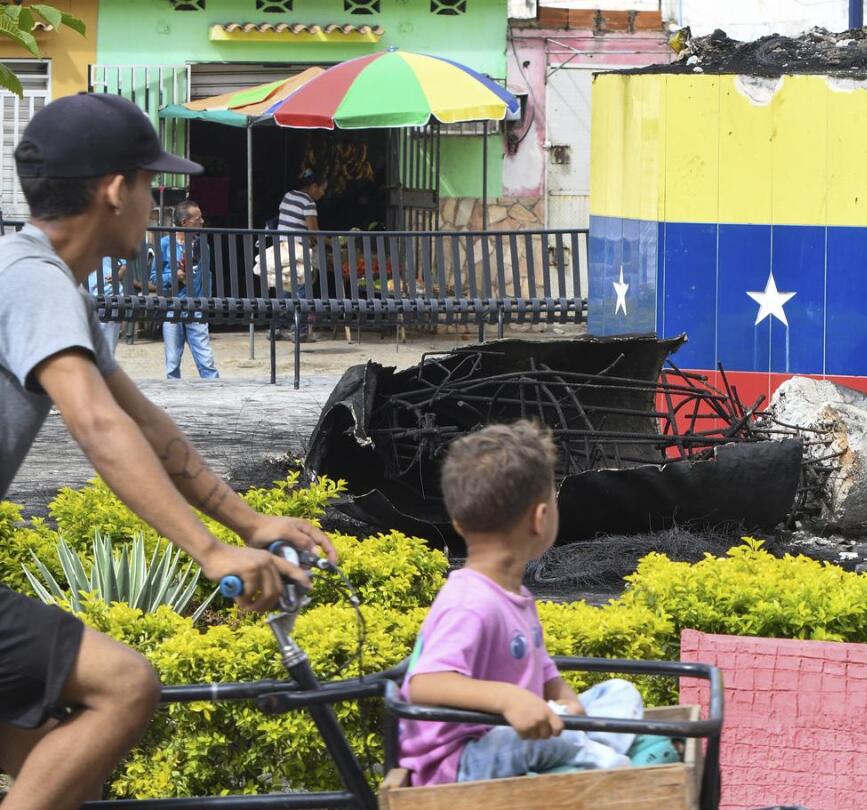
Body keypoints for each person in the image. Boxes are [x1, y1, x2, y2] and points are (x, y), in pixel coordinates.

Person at [0, 93, 336, 810]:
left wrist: (247, 523)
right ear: (115, 190)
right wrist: (209, 552)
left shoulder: (52, 287)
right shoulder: (31, 281)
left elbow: (145, 422)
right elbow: (97, 425)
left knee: (58, 772)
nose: (157, 202)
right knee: (127, 686)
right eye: (152, 184)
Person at [397, 421, 644, 786]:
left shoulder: (515, 596)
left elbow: (542, 671)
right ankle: (602, 764)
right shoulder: (470, 602)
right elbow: (425, 684)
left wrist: (565, 699)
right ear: (541, 519)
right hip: (462, 759)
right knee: (566, 736)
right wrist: (508, 699)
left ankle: (587, 752)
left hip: (509, 737)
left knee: (620, 694)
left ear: (458, 522)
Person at [152, 200, 218, 379]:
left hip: (196, 305)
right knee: (172, 360)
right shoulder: (165, 244)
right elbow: (154, 278)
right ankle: (174, 391)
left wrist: (206, 301)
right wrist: (175, 276)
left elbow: (207, 276)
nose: (202, 221)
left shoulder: (201, 246)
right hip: (172, 305)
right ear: (184, 223)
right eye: (198, 219)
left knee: (205, 358)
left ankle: (214, 388)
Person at [264, 170, 327, 341]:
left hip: (281, 249)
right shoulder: (308, 203)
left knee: (284, 288)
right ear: (314, 187)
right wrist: (330, 242)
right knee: (302, 290)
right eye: (322, 189)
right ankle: (301, 331)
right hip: (297, 252)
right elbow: (314, 232)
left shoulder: (289, 195)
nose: (323, 193)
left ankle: (276, 328)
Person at [85, 256, 125, 351]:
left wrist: (119, 274)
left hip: (110, 295)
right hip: (91, 296)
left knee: (107, 347)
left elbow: (124, 266)